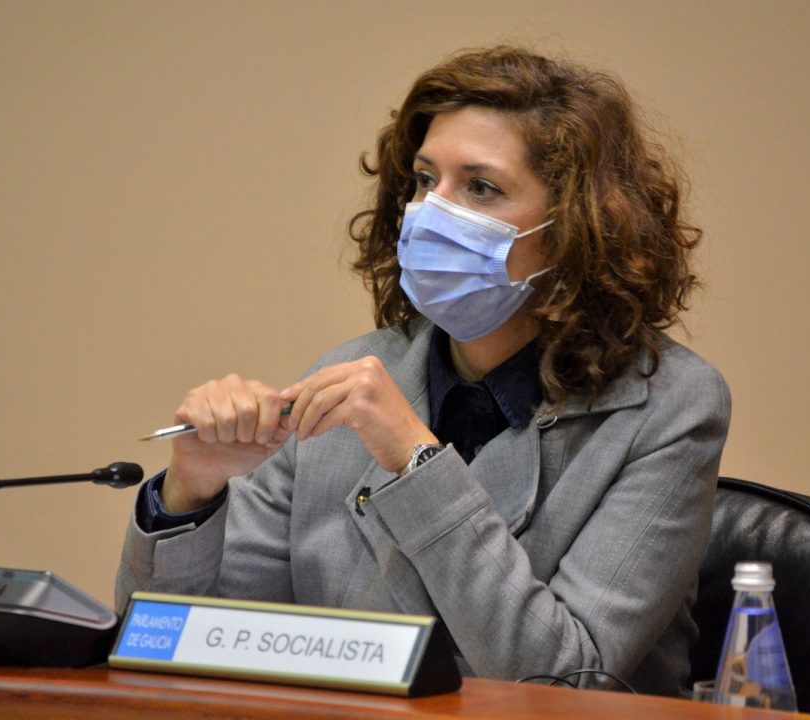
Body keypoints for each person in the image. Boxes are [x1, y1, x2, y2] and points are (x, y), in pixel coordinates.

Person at [116, 45, 731, 697]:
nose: (430, 212)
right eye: (423, 179)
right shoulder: (345, 375)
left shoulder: (669, 406)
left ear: (575, 226)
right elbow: (182, 652)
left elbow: (562, 677)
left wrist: (416, 462)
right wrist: (193, 492)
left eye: (480, 187)